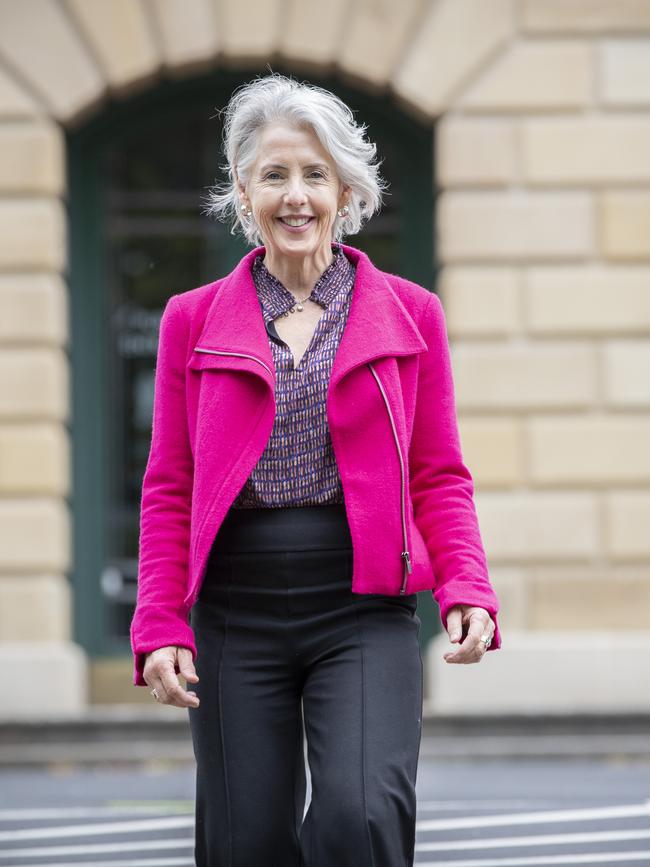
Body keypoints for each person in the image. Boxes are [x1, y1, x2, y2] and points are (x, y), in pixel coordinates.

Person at [130, 72, 501, 867]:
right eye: (274, 175)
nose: (295, 196)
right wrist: (158, 621)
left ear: (344, 188)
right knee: (244, 843)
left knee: (359, 818)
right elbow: (170, 486)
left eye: (313, 174)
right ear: (243, 190)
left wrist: (466, 585)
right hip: (234, 607)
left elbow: (438, 474)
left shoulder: (409, 314)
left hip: (362, 604)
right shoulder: (189, 320)